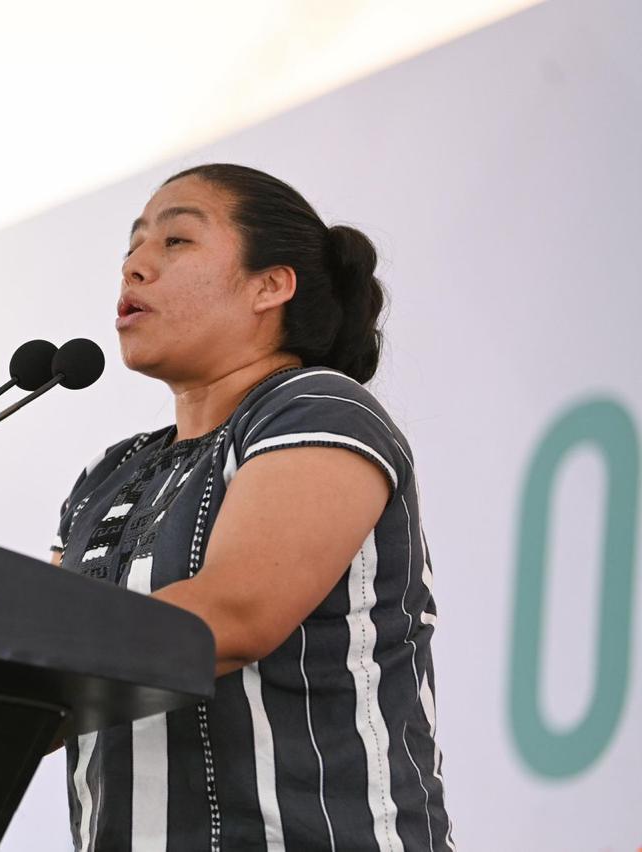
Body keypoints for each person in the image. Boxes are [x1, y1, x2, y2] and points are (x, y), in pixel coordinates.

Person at [50, 164, 452, 851]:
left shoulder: (316, 409)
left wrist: (16, 661)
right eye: (132, 245)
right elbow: (35, 657)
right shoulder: (108, 474)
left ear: (270, 286)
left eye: (176, 241)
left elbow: (233, 617)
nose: (135, 266)